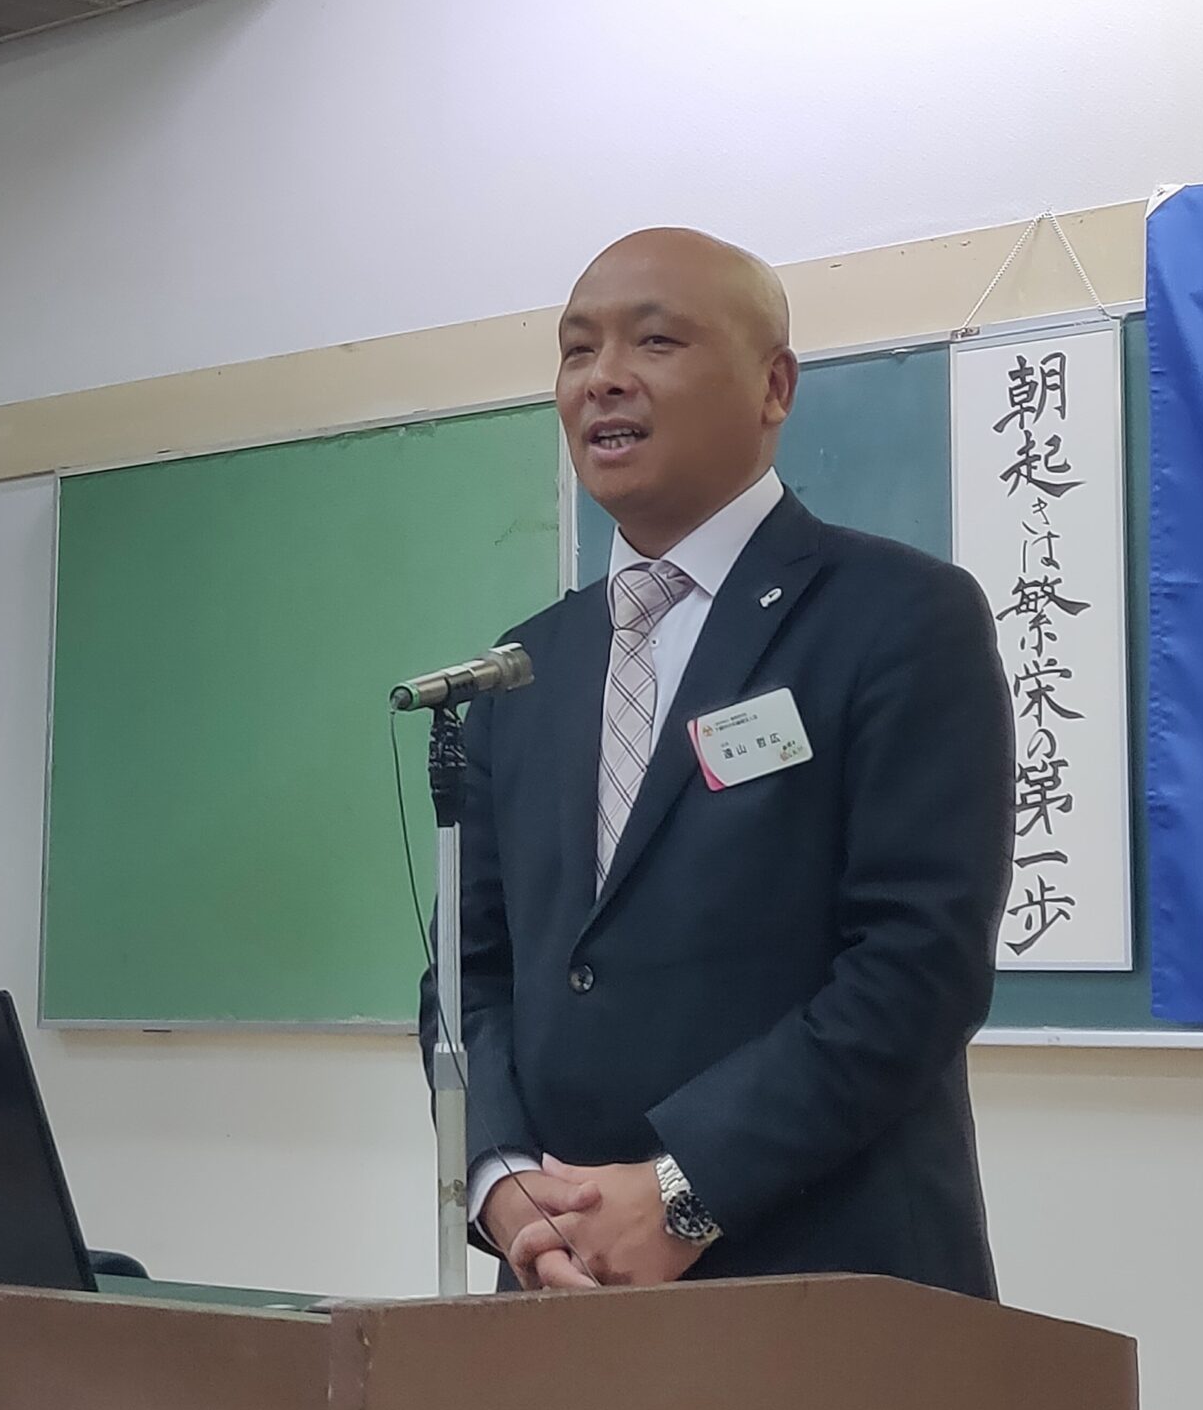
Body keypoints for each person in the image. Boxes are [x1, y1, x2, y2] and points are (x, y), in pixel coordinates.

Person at [419, 227, 1013, 1294]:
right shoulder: (523, 669)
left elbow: (916, 966)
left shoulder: (898, 618)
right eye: (576, 349)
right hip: (557, 1293)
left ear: (774, 387)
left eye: (654, 342)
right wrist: (504, 1185)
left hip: (822, 1291)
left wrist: (685, 1190)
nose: (602, 379)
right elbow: (469, 977)